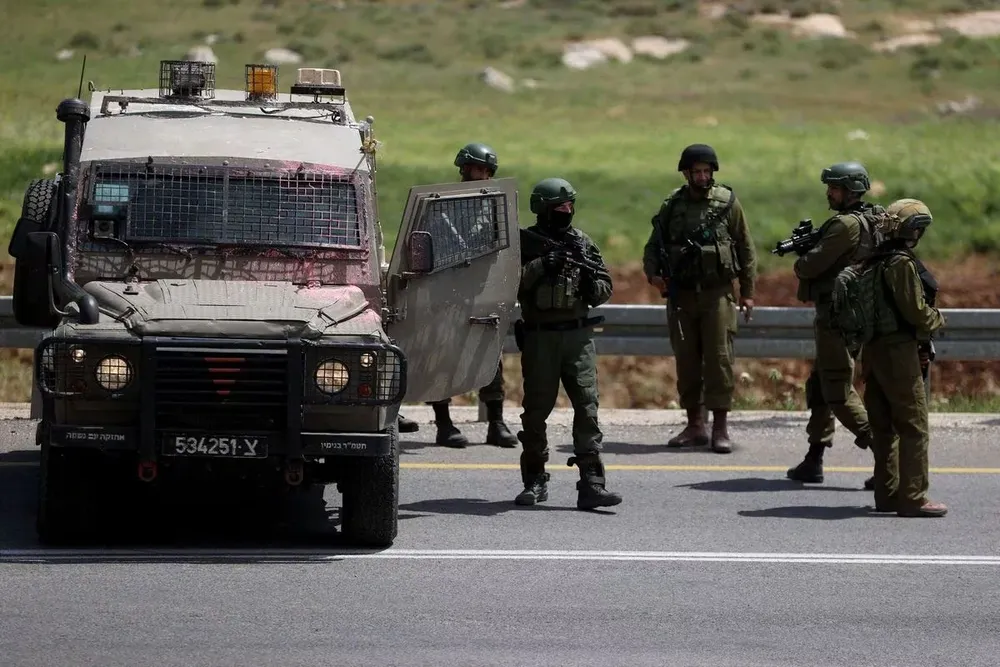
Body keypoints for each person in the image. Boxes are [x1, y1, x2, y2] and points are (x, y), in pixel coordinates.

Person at [513, 177, 622, 510]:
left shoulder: (582, 243)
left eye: (570, 206)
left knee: (587, 408)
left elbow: (604, 288)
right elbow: (507, 285)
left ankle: (592, 483)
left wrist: (588, 277)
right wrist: (541, 266)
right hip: (541, 339)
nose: (567, 212)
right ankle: (534, 479)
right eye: (560, 207)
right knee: (535, 413)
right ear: (544, 210)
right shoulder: (524, 243)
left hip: (578, 339)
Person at [641, 144, 757, 454]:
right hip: (682, 296)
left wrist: (747, 292)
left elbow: (745, 248)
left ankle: (720, 428)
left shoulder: (728, 203)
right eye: (697, 172)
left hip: (717, 294)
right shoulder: (672, 206)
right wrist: (653, 275)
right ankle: (695, 426)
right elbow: (653, 246)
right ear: (686, 173)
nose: (703, 177)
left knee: (719, 359)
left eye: (707, 171)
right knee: (687, 362)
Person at [416, 142, 518, 449]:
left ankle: (496, 422)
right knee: (442, 357)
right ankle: (444, 423)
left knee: (488, 358)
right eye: (477, 169)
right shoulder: (443, 205)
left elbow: (507, 250)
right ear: (464, 169)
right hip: (448, 291)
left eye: (486, 170)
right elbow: (425, 244)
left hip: (484, 291)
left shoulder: (496, 206)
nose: (482, 175)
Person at [785, 162, 880, 487]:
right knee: (821, 386)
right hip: (855, 315)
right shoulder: (872, 218)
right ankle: (814, 458)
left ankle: (888, 457)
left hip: (838, 317)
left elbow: (809, 267)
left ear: (851, 191)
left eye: (835, 188)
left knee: (837, 389)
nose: (830, 192)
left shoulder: (844, 226)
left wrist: (803, 256)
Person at [859, 198, 947, 517]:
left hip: (873, 352)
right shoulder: (900, 263)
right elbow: (915, 312)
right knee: (913, 426)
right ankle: (913, 498)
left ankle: (887, 495)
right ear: (915, 231)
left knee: (884, 427)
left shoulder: (872, 262)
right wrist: (937, 319)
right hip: (898, 352)